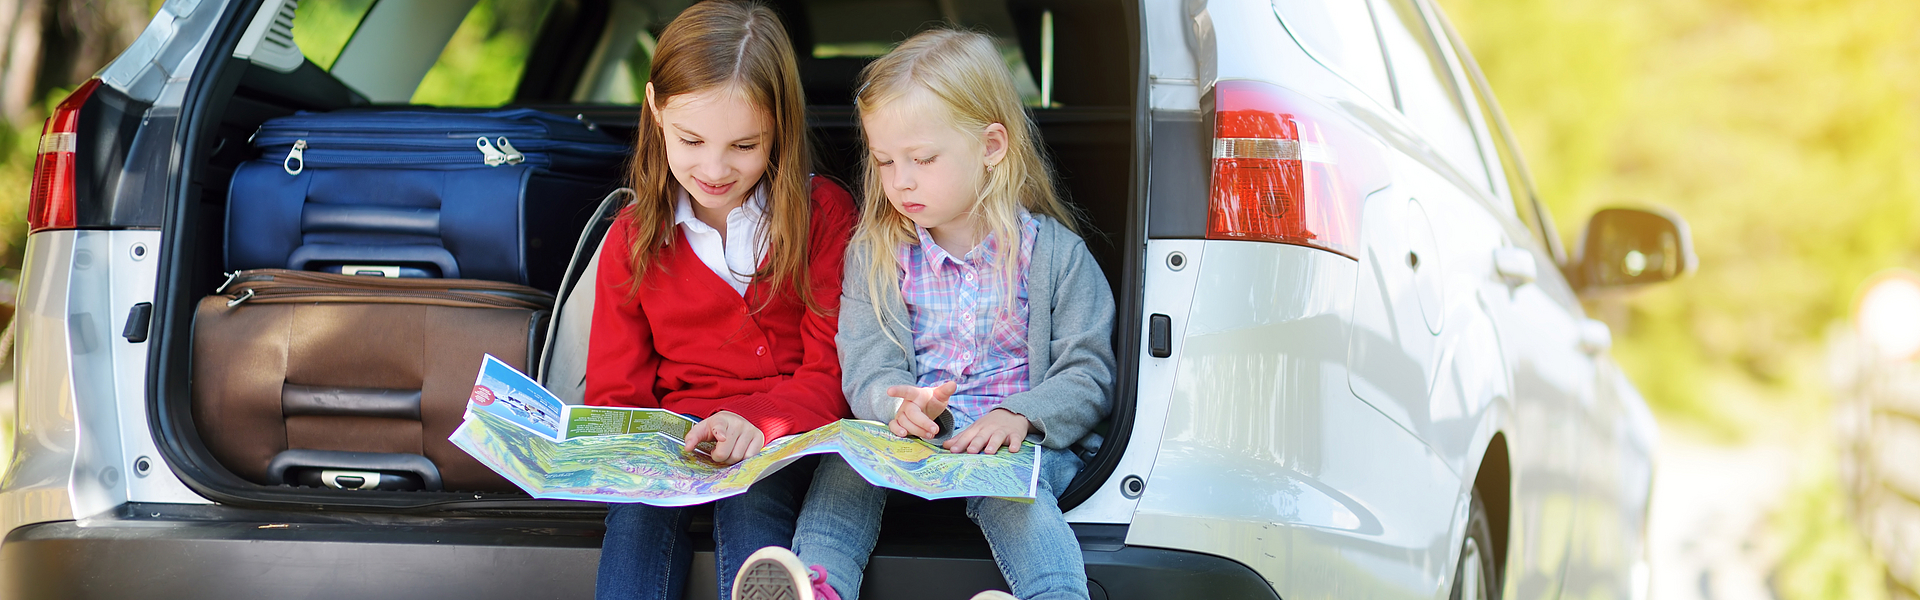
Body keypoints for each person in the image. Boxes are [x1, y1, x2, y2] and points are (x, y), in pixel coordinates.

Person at [728, 28, 1117, 600]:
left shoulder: (1055, 256)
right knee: (847, 466)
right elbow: (865, 359)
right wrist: (896, 405)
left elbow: (1088, 372)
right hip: (912, 439)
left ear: (991, 147)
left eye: (923, 159)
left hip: (1015, 443)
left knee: (1014, 493)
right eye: (884, 161)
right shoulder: (878, 252)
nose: (900, 180)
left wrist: (1021, 416)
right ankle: (820, 588)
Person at [584, 2, 857, 599]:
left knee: (751, 502)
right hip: (675, 436)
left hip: (783, 433)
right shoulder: (633, 238)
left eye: (743, 145)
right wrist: (632, 457)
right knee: (634, 513)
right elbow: (616, 393)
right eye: (691, 139)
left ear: (780, 129)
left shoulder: (824, 217)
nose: (713, 167)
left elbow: (833, 375)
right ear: (655, 109)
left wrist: (758, 422)